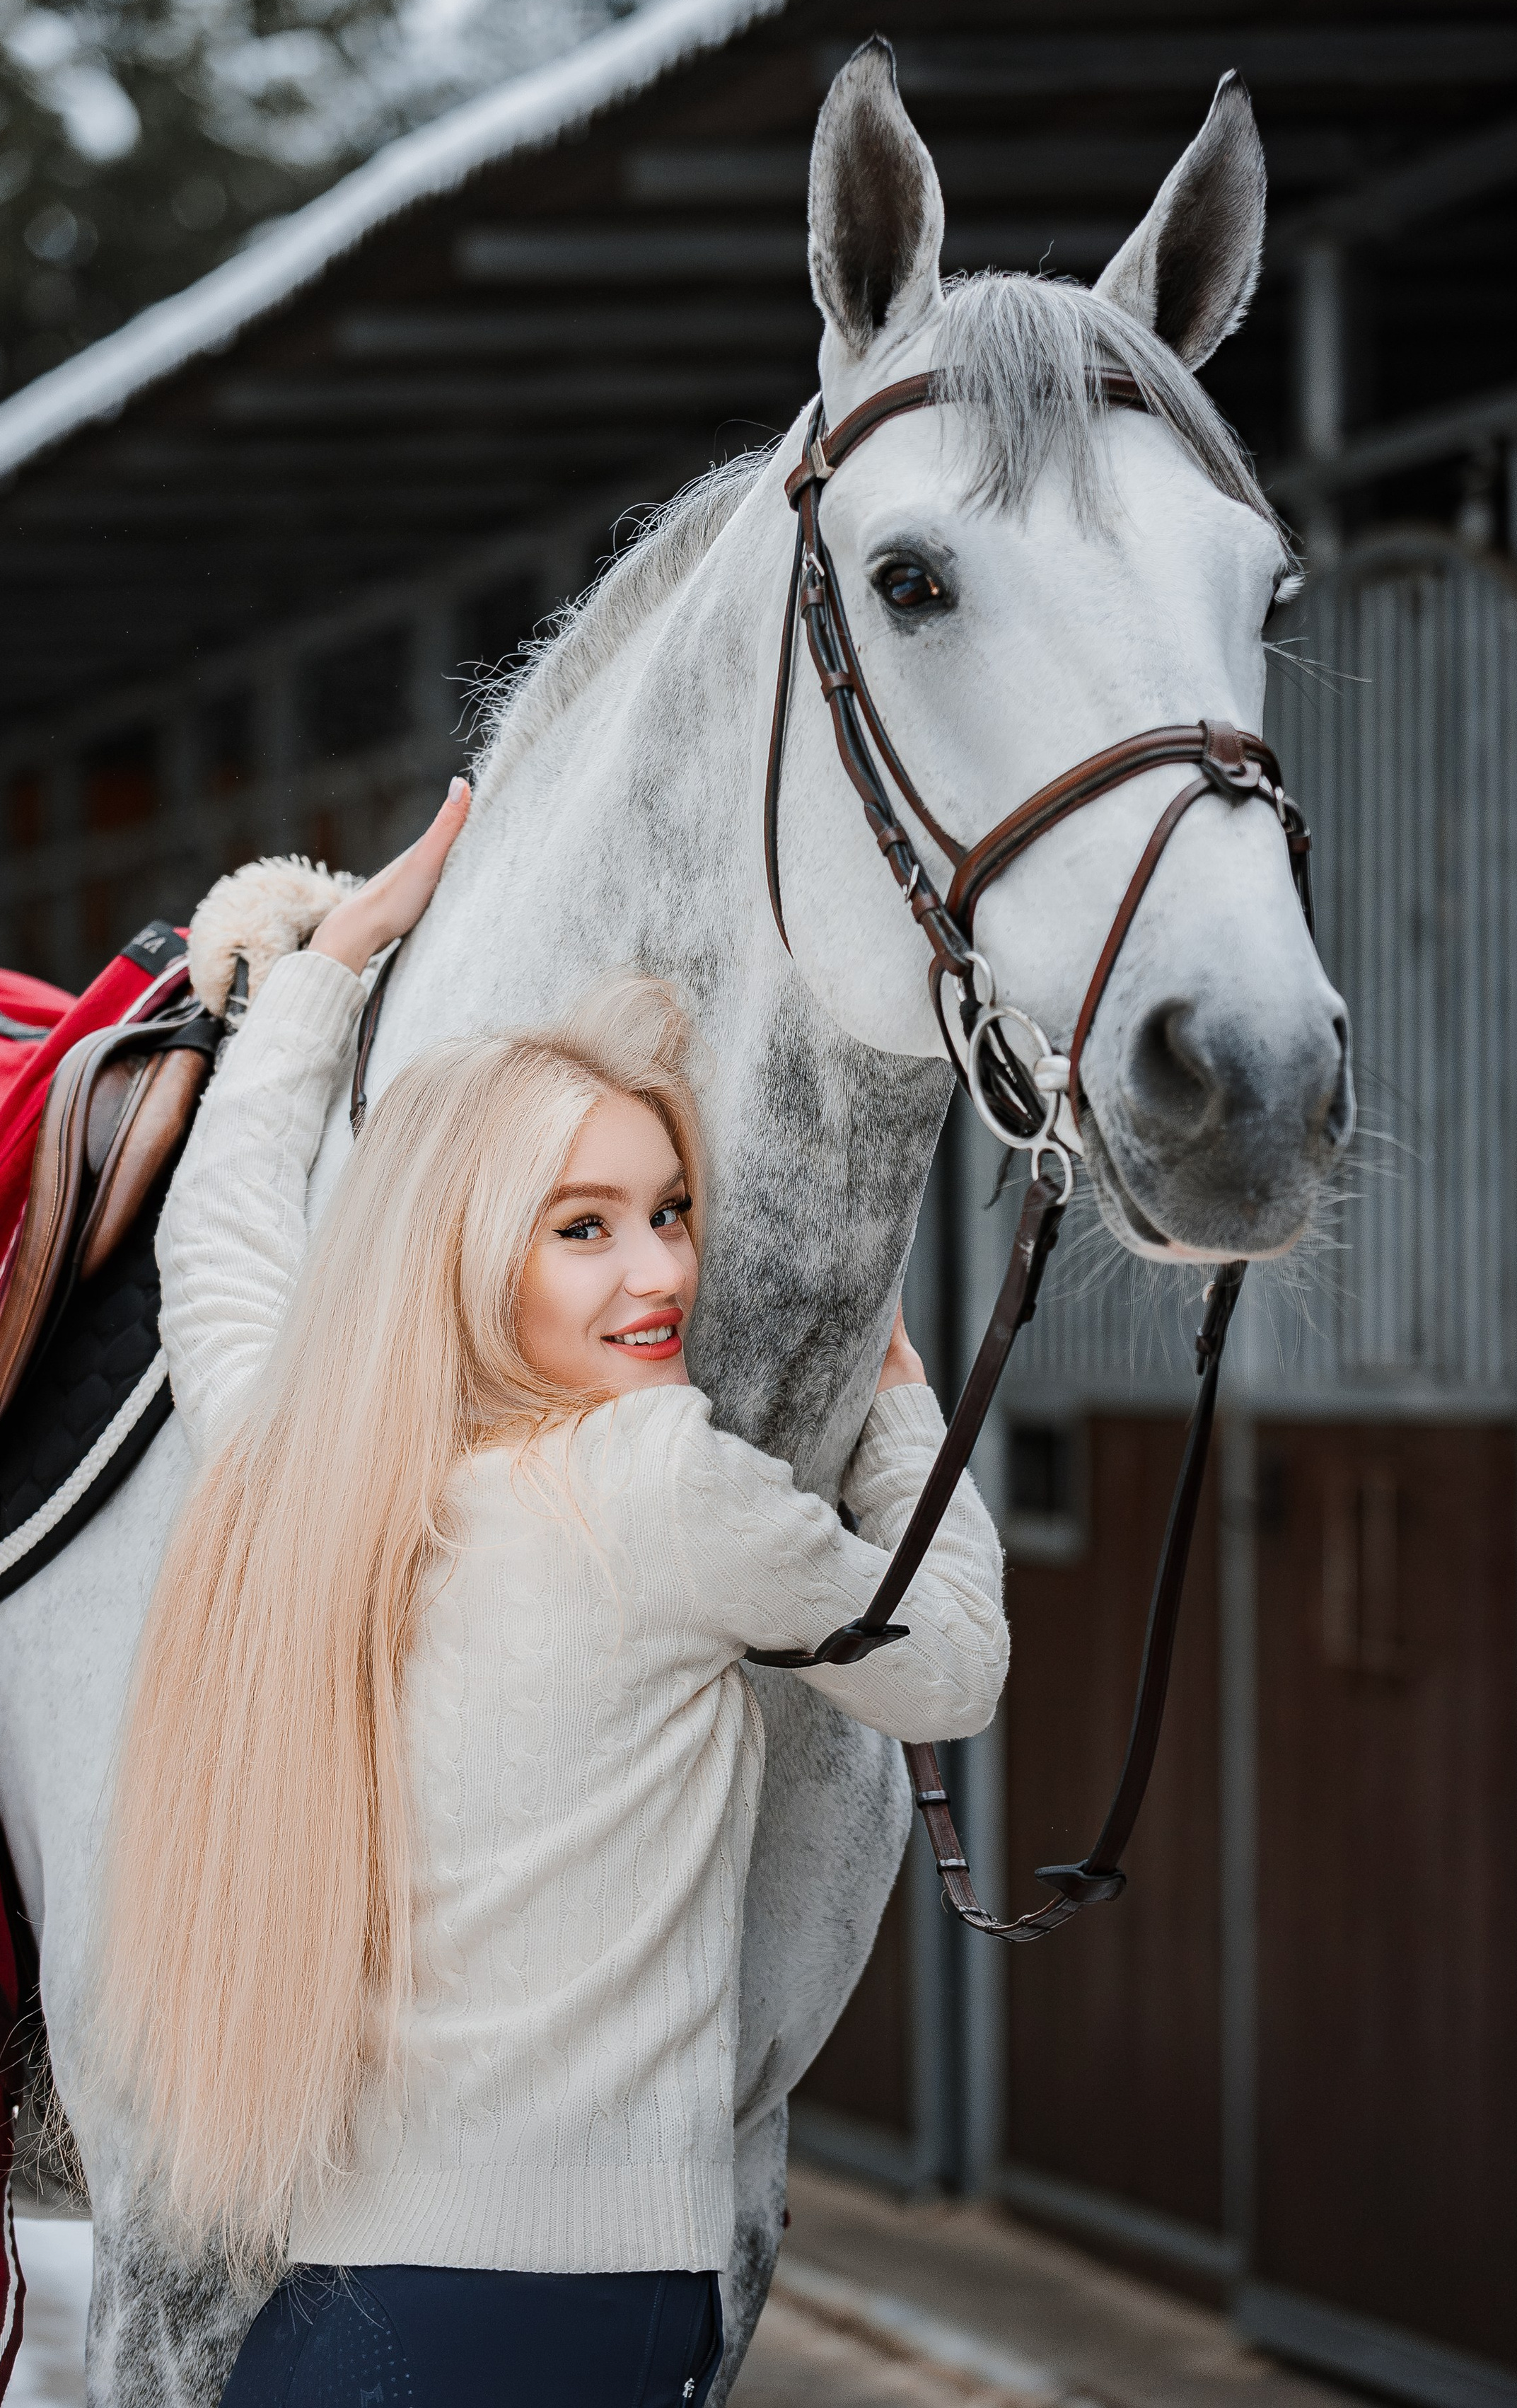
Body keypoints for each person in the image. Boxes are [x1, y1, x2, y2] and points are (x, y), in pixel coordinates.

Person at [91, 780, 1009, 2407]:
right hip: (569, 2305)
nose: (658, 1271)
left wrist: (323, 972)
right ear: (465, 1253)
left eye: (668, 1211)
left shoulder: (324, 1480)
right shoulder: (656, 1485)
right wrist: (897, 1407)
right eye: (582, 1227)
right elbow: (947, 1669)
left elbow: (218, 1263)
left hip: (361, 2296)